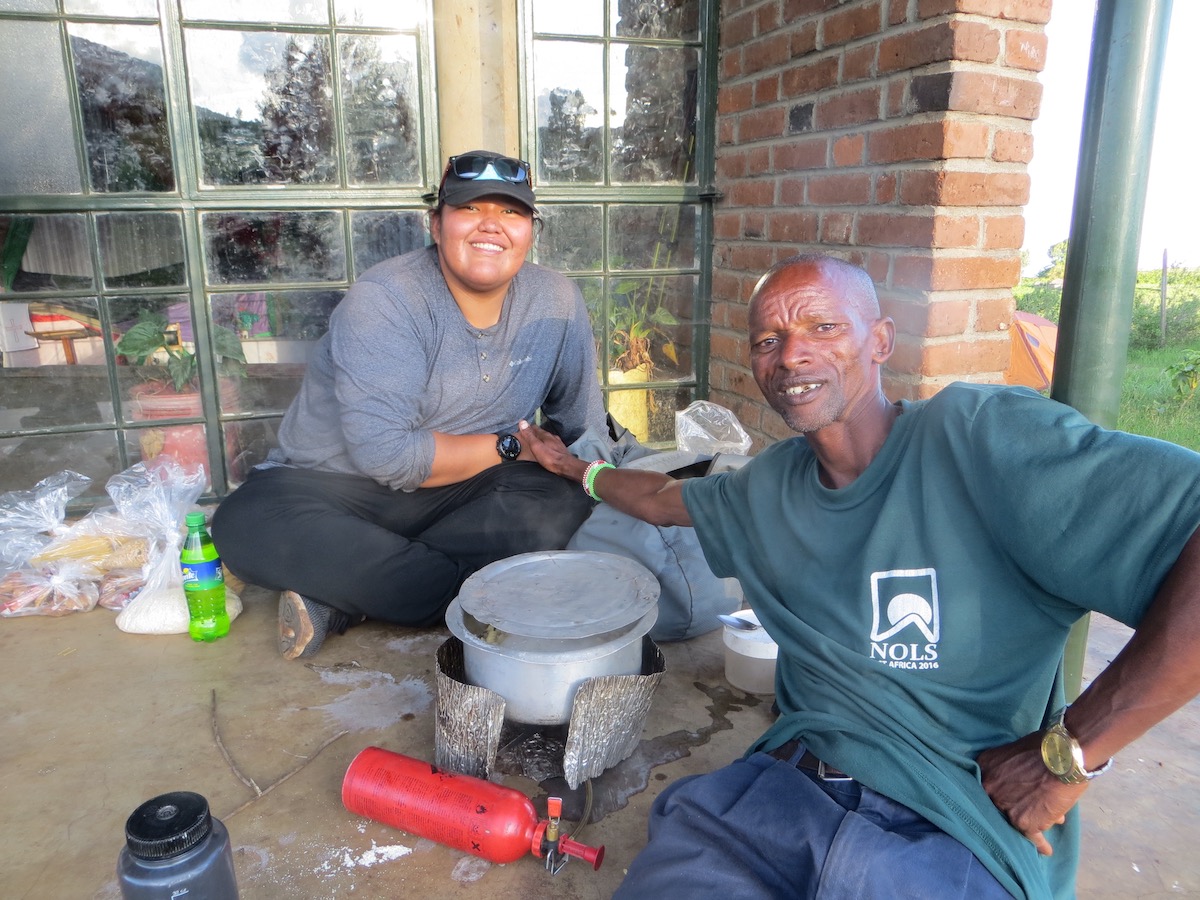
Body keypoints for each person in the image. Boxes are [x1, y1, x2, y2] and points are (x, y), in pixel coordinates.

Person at [518, 253, 1200, 899]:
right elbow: (662, 501)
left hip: (952, 821)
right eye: (767, 340)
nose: (791, 355)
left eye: (823, 327)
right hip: (774, 800)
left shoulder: (979, 439)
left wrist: (1070, 753)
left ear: (880, 341)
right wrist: (577, 469)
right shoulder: (769, 488)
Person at [212, 150, 609, 659]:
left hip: (466, 490)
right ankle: (464, 593)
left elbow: (580, 426)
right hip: (334, 488)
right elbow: (388, 457)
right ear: (436, 223)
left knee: (563, 498)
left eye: (511, 212)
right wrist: (512, 445)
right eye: (471, 209)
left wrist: (610, 482)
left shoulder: (556, 300)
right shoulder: (386, 298)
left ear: (531, 229)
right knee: (246, 522)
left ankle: (345, 600)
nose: (492, 226)